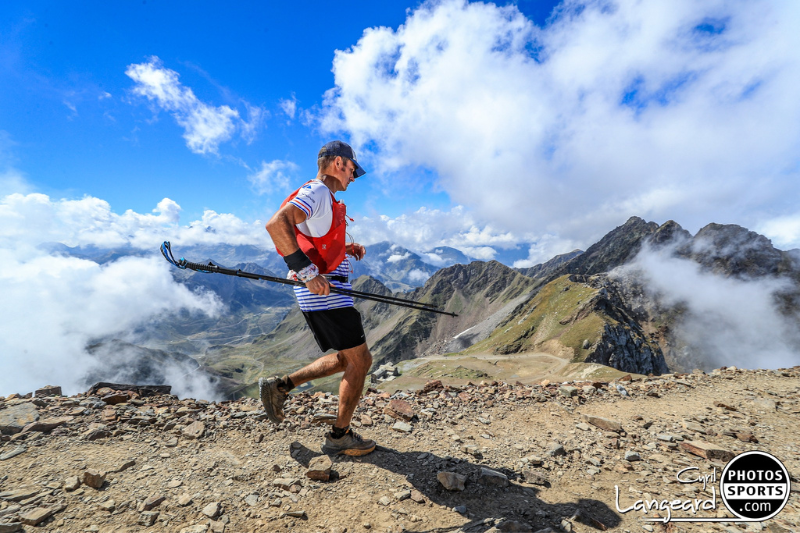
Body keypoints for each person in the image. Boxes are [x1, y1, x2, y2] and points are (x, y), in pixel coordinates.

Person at [259, 140, 376, 456]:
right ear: (339, 163)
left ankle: (280, 386)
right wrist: (307, 272)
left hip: (329, 292)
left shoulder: (322, 195)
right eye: (353, 170)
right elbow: (276, 225)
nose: (353, 177)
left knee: (348, 359)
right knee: (361, 361)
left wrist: (345, 250)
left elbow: (313, 237)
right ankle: (340, 436)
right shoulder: (319, 191)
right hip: (327, 296)